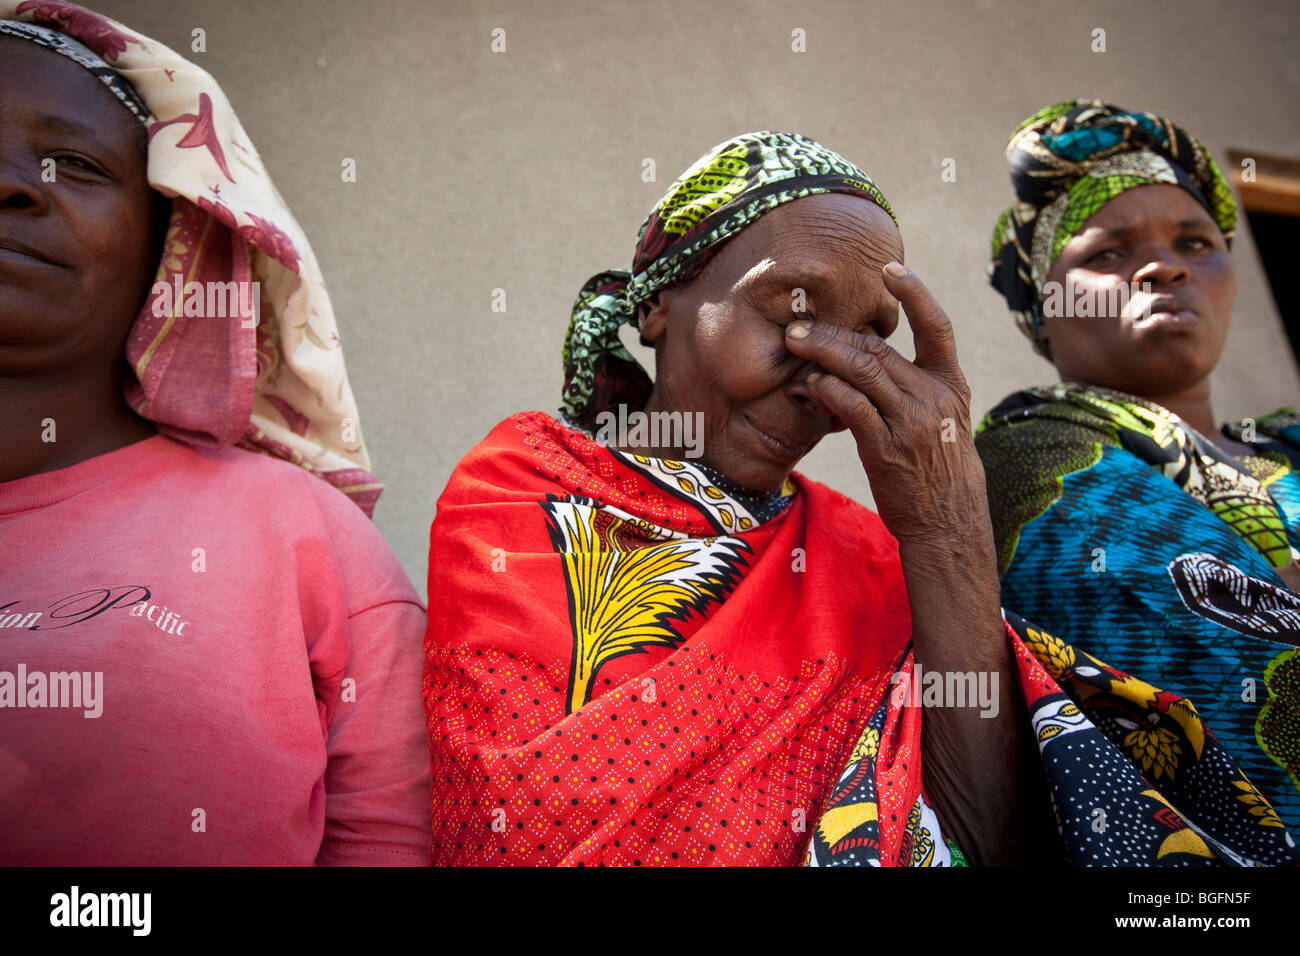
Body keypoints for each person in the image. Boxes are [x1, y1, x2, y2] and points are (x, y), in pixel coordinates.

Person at [424, 130, 1297, 866]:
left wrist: (945, 525)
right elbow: (527, 823)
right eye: (790, 315)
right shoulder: (522, 487)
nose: (828, 378)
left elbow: (984, 833)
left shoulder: (869, 558)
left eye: (870, 337)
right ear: (658, 306)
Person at [0, 2, 429, 865]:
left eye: (74, 163)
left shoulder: (300, 538)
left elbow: (385, 842)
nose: (12, 179)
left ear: (173, 242)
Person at [980, 99, 1300, 832]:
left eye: (1195, 242)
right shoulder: (1032, 460)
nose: (1165, 267)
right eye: (1109, 254)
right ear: (1041, 304)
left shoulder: (1288, 442)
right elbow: (1215, 652)